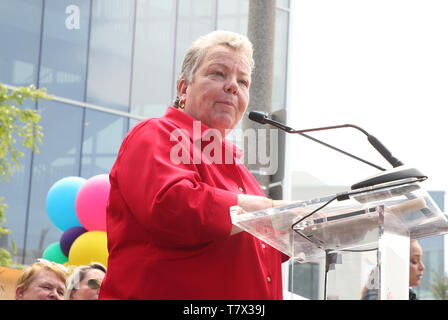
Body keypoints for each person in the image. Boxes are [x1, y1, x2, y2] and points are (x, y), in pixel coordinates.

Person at [99, 30, 289, 300]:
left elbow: (262, 253)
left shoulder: (242, 174)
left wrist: (311, 225)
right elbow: (172, 206)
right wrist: (267, 208)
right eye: (218, 74)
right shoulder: (155, 134)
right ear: (184, 89)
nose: (233, 86)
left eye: (243, 82)